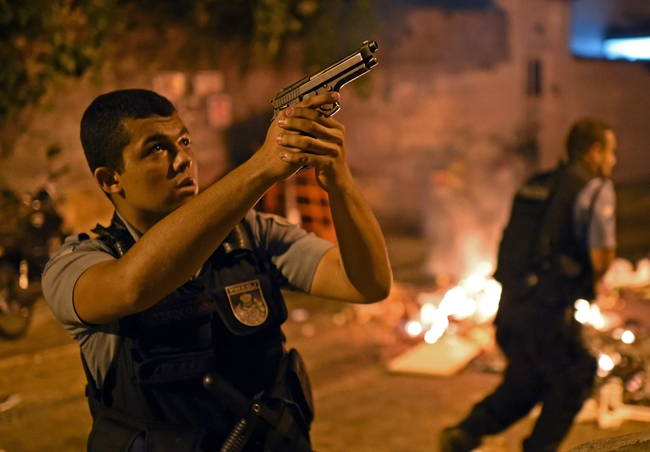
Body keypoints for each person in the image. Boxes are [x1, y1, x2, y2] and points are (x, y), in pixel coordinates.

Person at [42, 88, 392, 452]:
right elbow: (132, 287)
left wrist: (338, 182)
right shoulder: (78, 263)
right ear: (110, 179)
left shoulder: (248, 234)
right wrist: (262, 166)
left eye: (184, 141)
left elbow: (367, 284)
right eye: (156, 149)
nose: (182, 160)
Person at [440, 117, 618, 452]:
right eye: (611, 153)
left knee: (526, 383)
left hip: (510, 308)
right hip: (547, 312)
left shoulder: (536, 184)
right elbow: (600, 259)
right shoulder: (594, 188)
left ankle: (463, 434)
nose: (613, 161)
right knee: (576, 376)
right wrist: (587, 282)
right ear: (594, 152)